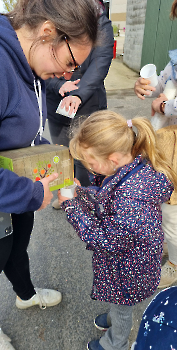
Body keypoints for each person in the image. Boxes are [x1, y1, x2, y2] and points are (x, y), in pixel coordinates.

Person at [0, 0, 99, 349]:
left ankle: (25, 293)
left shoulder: (26, 62)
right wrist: (31, 194)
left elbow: (22, 128)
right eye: (69, 62)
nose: (68, 73)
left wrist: (57, 169)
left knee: (18, 248)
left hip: (14, 190)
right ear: (48, 32)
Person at [57, 110, 177, 350]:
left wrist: (71, 207)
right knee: (120, 303)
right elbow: (107, 198)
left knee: (123, 307)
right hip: (131, 261)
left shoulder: (130, 198)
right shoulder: (132, 168)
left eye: (90, 163)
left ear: (111, 159)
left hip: (129, 270)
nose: (89, 168)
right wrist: (81, 195)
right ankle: (114, 315)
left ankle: (115, 343)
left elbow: (104, 238)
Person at [45, 0, 114, 209]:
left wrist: (79, 94)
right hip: (56, 100)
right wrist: (58, 84)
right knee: (62, 151)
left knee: (85, 154)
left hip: (87, 102)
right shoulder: (54, 15)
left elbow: (100, 61)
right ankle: (66, 193)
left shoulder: (99, 21)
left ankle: (84, 198)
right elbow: (42, 59)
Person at [134, 0, 177, 290]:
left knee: (172, 209)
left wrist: (168, 105)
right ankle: (170, 247)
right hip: (167, 144)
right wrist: (144, 85)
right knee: (162, 202)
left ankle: (174, 265)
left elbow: (166, 100)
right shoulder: (175, 58)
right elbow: (160, 84)